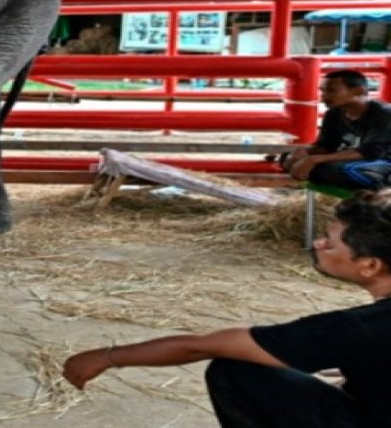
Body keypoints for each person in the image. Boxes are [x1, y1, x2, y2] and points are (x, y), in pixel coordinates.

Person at [62, 189, 391, 427]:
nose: (318, 244)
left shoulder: (359, 327)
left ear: (370, 265)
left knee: (237, 371)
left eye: (329, 241)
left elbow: (203, 345)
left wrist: (106, 357)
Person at [280, 70, 391, 188]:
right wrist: (306, 152)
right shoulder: (333, 113)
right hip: (355, 161)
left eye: (331, 90)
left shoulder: (384, 114)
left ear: (359, 91)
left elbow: (371, 152)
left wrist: (314, 160)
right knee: (288, 158)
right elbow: (327, 146)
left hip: (382, 162)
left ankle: (382, 185)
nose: (324, 96)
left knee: (337, 170)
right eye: (322, 91)